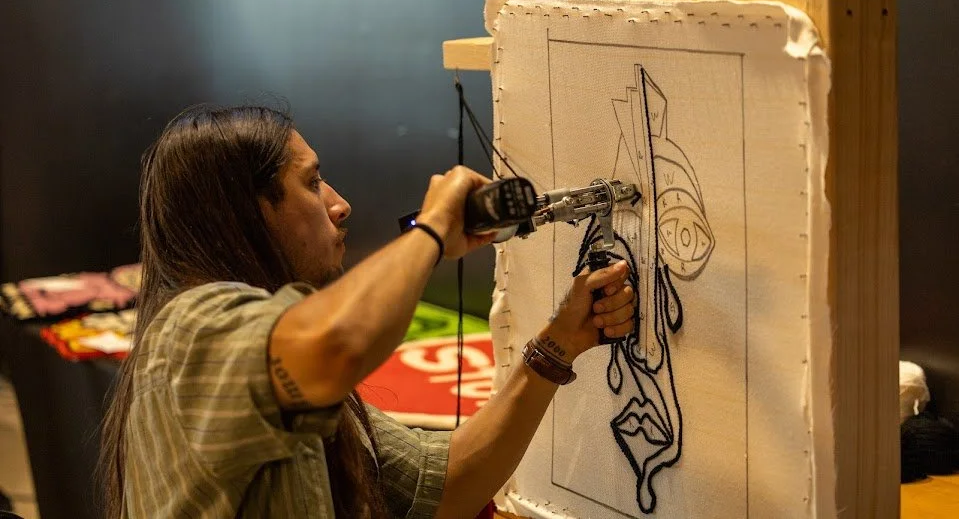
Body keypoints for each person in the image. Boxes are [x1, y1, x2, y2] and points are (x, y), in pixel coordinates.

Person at [98, 105, 635, 519]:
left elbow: (445, 486)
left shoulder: (269, 341)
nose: (339, 203)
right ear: (247, 211)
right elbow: (339, 346)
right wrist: (434, 231)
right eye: (310, 183)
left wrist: (558, 344)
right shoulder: (194, 329)